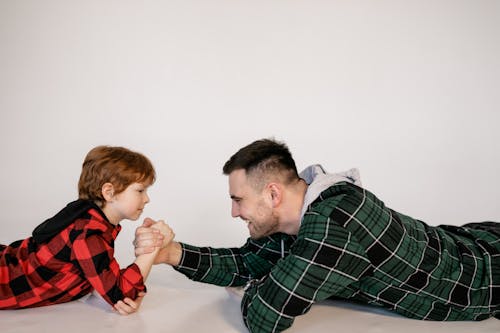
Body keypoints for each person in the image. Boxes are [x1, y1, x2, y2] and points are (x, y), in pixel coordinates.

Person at [133, 138, 500, 332]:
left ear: (273, 194)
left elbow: (265, 317)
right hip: (467, 238)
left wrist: (264, 283)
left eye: (238, 200)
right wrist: (171, 253)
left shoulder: (332, 224)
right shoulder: (297, 214)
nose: (234, 212)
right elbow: (249, 263)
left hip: (488, 276)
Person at [0, 145, 174, 314]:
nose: (147, 199)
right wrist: (153, 246)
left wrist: (119, 291)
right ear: (109, 192)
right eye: (140, 190)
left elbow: (107, 281)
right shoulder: (88, 235)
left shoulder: (92, 221)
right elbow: (122, 294)